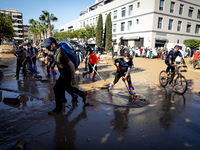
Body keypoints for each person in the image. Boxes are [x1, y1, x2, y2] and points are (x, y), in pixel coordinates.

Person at [43, 37, 87, 115]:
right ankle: (82, 94)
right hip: (64, 73)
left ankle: (58, 109)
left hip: (67, 74)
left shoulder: (61, 53)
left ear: (53, 44)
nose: (47, 48)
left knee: (56, 89)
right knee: (68, 87)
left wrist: (73, 78)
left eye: (48, 46)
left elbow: (72, 65)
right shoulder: (56, 51)